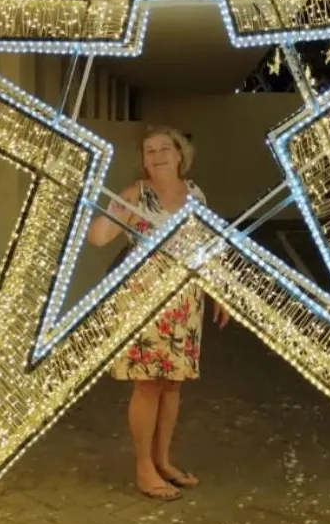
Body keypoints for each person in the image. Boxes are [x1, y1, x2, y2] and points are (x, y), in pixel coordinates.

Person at [87, 126, 229, 501]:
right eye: (149, 150)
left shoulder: (195, 194)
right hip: (144, 300)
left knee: (172, 383)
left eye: (164, 148)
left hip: (184, 301)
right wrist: (109, 205)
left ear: (180, 154)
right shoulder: (136, 194)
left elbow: (206, 247)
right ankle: (143, 467)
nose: (157, 155)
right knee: (148, 383)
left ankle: (163, 460)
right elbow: (99, 237)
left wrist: (220, 293)